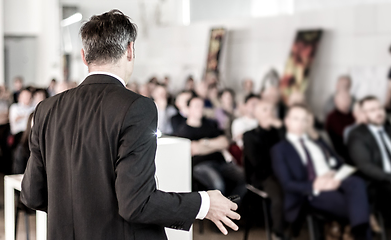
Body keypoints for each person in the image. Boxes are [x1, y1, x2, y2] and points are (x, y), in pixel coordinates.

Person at [20, 10, 240, 240]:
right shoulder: (136, 107)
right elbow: (136, 203)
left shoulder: (47, 108)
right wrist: (204, 204)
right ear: (129, 50)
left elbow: (31, 194)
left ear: (84, 57)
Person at [272, 104, 371, 240]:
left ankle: (357, 230)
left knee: (357, 182)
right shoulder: (280, 149)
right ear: (287, 121)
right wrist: (315, 185)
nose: (301, 123)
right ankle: (362, 231)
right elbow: (287, 184)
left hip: (336, 181)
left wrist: (332, 174)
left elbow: (339, 163)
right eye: (296, 119)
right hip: (311, 193)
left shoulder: (317, 142)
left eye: (304, 119)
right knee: (358, 205)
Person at [347, 96, 391, 239]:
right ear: (364, 115)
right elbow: (365, 166)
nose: (378, 112)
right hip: (379, 184)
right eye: (372, 110)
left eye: (380, 108)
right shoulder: (357, 135)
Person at [175, 96, 246, 198]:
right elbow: (194, 149)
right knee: (218, 185)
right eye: (196, 106)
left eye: (201, 106)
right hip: (201, 165)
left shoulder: (209, 125)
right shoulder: (184, 130)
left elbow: (225, 142)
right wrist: (215, 145)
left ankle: (232, 206)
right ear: (189, 109)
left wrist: (204, 142)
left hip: (220, 162)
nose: (200, 108)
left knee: (244, 178)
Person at [243, 101, 285, 238]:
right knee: (279, 195)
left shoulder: (277, 133)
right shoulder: (250, 135)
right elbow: (258, 163)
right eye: (265, 109)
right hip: (263, 176)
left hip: (280, 173)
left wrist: (281, 129)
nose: (270, 113)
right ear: (257, 114)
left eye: (271, 109)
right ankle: (277, 233)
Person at [325, 91, 355, 160]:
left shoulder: (353, 114)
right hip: (342, 152)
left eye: (348, 97)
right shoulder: (332, 117)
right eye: (343, 98)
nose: (346, 100)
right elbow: (344, 135)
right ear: (336, 101)